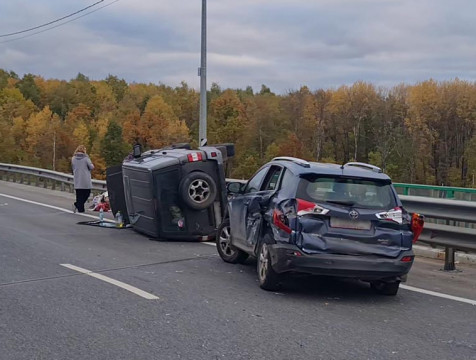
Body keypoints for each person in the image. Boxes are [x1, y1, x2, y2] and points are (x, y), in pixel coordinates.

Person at [71, 145, 94, 213]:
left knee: (79, 194)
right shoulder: (86, 158)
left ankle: (80, 208)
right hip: (85, 178)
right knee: (87, 193)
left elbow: (73, 167)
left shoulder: (73, 158)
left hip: (77, 178)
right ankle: (77, 205)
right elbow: (91, 167)